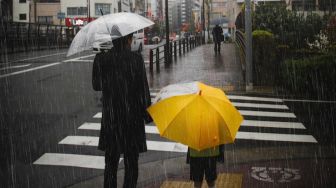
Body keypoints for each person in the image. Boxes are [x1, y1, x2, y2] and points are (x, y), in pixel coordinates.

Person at [92, 33, 152, 188]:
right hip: (132, 118)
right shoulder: (136, 59)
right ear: (128, 39)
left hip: (112, 118)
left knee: (110, 163)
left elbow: (96, 85)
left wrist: (99, 61)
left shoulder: (102, 59)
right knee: (131, 162)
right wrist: (147, 113)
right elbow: (143, 89)